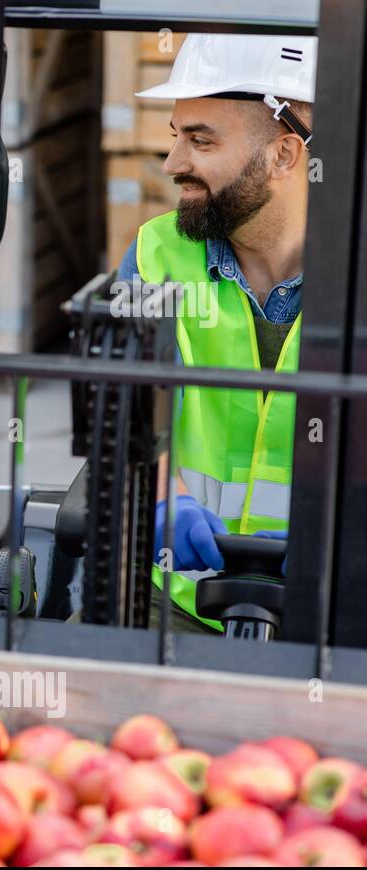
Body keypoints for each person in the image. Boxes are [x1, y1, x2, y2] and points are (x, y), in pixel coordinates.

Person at [117, 34, 314, 634]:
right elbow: (126, 409)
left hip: (341, 598)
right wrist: (159, 494)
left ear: (284, 153)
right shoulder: (157, 253)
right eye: (176, 135)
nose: (174, 162)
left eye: (200, 140)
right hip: (179, 595)